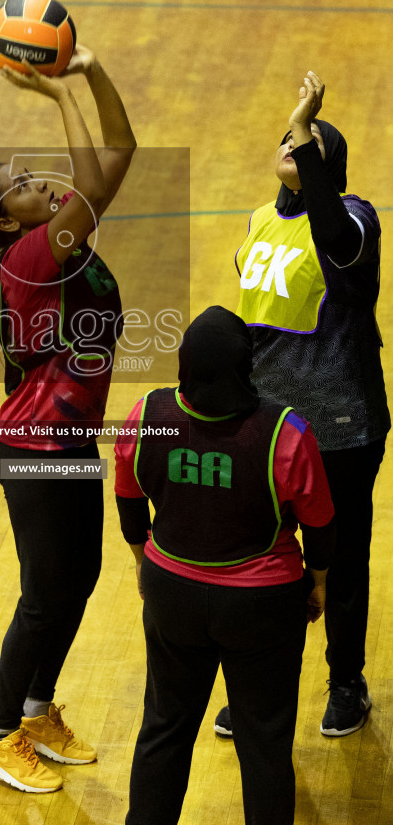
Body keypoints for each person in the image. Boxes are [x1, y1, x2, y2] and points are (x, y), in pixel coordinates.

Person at [0, 46, 136, 792]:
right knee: (42, 591)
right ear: (5, 220)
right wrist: (57, 96)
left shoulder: (60, 238)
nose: (40, 186)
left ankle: (34, 711)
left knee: (79, 578)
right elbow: (90, 183)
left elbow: (118, 149)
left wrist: (91, 72)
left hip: (66, 439)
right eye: (23, 185)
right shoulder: (29, 255)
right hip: (33, 447)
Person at [115, 306, 335, 825]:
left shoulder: (148, 414)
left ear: (184, 364)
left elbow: (128, 498)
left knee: (164, 730)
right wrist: (318, 582)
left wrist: (143, 562)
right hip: (262, 606)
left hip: (172, 594)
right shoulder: (285, 431)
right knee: (264, 745)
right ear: (247, 364)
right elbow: (321, 524)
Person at [230, 70, 390, 737]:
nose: (290, 147)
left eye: (305, 143)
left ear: (328, 167)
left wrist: (306, 129)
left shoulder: (353, 219)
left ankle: (345, 684)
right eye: (285, 139)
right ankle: (261, 693)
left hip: (340, 424)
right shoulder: (260, 219)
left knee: (342, 560)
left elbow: (336, 242)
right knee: (265, 557)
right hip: (270, 424)